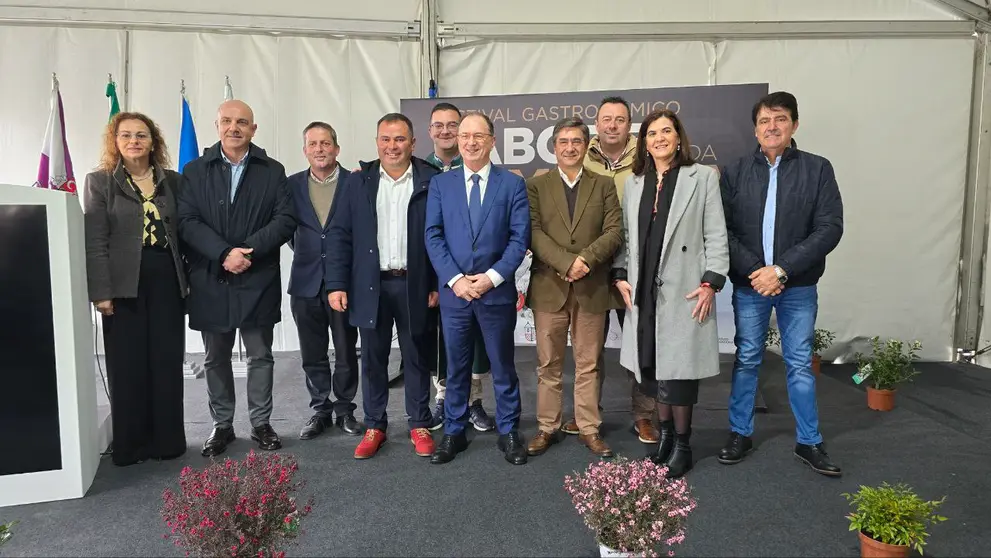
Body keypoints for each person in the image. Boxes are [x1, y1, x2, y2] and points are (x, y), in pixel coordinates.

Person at [717, 91, 844, 477]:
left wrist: (782, 270)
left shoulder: (818, 169)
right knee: (747, 358)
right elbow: (722, 229)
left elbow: (829, 228)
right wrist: (758, 270)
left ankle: (809, 441)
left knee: (800, 364)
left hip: (798, 285)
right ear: (755, 129)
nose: (772, 127)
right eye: (764, 121)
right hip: (750, 284)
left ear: (795, 125)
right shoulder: (736, 171)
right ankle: (740, 433)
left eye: (780, 120)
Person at [612, 109, 729, 478]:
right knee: (654, 368)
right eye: (651, 133)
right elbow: (628, 238)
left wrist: (712, 281)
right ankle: (664, 439)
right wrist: (620, 275)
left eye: (666, 131)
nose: (659, 138)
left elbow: (716, 234)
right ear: (643, 142)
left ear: (679, 137)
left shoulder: (703, 177)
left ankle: (683, 444)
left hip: (686, 288)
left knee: (680, 373)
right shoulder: (635, 182)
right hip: (644, 288)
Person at [178, 100, 296, 457]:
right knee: (215, 358)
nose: (234, 128)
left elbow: (285, 219)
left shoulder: (272, 171)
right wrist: (223, 253)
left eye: (242, 122)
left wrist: (246, 251)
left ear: (253, 129)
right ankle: (222, 425)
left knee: (261, 355)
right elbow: (186, 221)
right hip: (211, 276)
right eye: (227, 121)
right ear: (216, 126)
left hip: (256, 275)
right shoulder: (194, 170)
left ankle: (261, 423)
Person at [325, 113, 438, 460]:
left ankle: (419, 422)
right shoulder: (357, 183)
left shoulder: (430, 180)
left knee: (417, 354)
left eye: (400, 139)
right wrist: (336, 283)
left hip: (415, 284)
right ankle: (375, 425)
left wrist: (436, 283)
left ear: (413, 143)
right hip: (369, 285)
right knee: (373, 357)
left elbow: (440, 235)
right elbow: (340, 235)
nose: (392, 146)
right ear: (377, 142)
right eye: (386, 139)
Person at [82, 112, 188, 466]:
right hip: (123, 283)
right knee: (127, 364)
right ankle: (132, 445)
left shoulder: (172, 181)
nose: (134, 141)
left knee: (166, 361)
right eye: (125, 135)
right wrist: (100, 291)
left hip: (166, 279)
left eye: (141, 135)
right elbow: (95, 241)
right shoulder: (100, 183)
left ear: (153, 141)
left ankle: (167, 442)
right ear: (115, 141)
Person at [425, 112, 531, 465]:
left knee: (502, 366)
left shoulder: (512, 184)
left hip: (495, 293)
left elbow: (519, 239)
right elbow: (433, 235)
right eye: (464, 135)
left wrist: (491, 278)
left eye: (478, 136)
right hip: (455, 294)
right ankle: (454, 431)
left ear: (492, 141)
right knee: (455, 367)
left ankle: (509, 431)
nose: (470, 142)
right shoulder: (442, 184)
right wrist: (456, 280)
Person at [524, 117, 623, 458]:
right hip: (550, 286)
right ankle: (547, 426)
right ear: (554, 147)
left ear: (586, 146)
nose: (569, 147)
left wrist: (585, 261)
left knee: (589, 363)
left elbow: (614, 231)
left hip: (591, 286)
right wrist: (567, 263)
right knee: (548, 364)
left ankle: (589, 427)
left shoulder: (604, 184)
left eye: (576, 142)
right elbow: (533, 232)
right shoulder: (535, 186)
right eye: (563, 141)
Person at [581, 96, 659, 444]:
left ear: (631, 125)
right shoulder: (579, 157)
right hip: (593, 267)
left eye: (620, 119)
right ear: (596, 124)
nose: (612, 125)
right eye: (606, 119)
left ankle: (645, 416)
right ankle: (587, 416)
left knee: (642, 345)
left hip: (636, 266)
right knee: (589, 349)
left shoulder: (647, 160)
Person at [423, 101, 496, 432]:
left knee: (475, 339)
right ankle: (444, 398)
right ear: (430, 131)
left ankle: (474, 400)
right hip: (433, 271)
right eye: (439, 126)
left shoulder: (488, 174)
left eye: (453, 125)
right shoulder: (420, 170)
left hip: (473, 276)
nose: (446, 131)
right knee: (439, 339)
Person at [287, 121, 361, 440]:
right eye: (313, 144)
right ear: (305, 151)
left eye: (326, 143)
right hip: (305, 282)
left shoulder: (355, 183)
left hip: (343, 282)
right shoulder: (290, 186)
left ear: (337, 148)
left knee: (345, 349)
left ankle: (344, 408)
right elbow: (289, 232)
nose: (320, 149)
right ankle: (320, 408)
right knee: (312, 352)